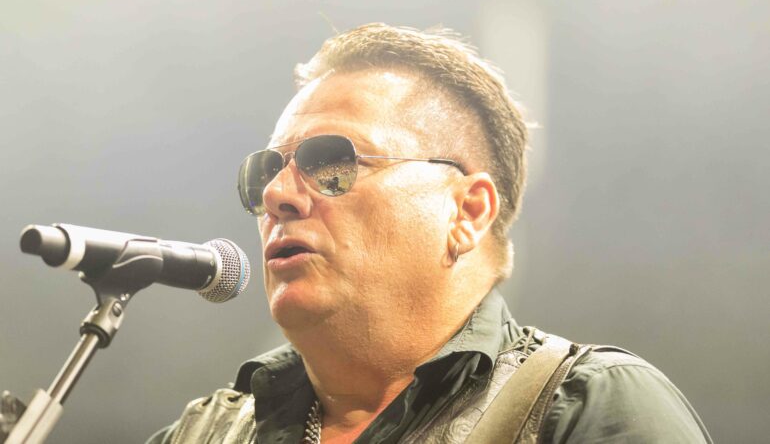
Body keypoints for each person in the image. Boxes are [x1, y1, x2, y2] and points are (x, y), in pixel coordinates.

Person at [147, 24, 712, 443]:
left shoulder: (590, 407)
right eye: (266, 172)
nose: (277, 194)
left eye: (331, 163)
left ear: (467, 212)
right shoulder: (200, 434)